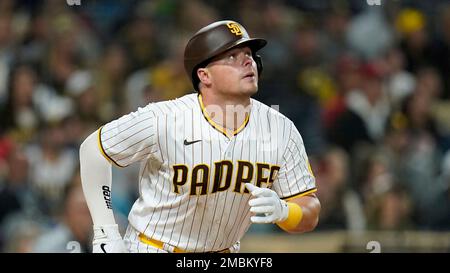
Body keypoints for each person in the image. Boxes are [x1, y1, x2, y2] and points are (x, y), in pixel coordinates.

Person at [79, 20, 321, 253]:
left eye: (249, 54)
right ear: (204, 76)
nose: (247, 61)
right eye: (232, 57)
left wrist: (286, 211)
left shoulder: (280, 128)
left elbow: (309, 209)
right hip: (153, 247)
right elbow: (93, 149)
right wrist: (106, 231)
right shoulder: (164, 118)